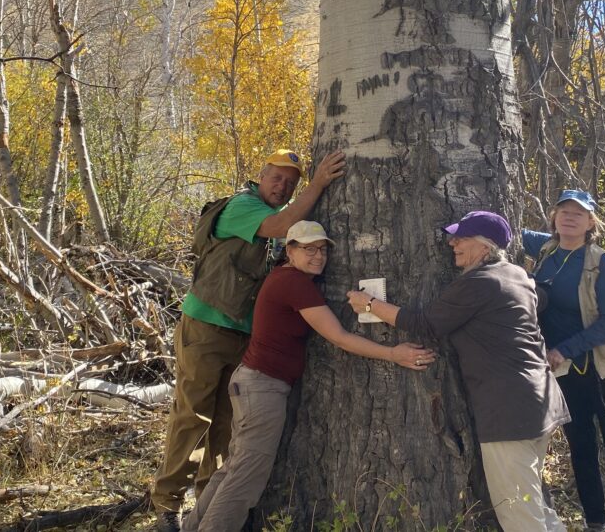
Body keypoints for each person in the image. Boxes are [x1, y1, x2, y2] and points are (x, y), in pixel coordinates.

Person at [181, 221, 435, 532]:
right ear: (289, 251)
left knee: (234, 469)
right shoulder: (293, 282)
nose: (318, 256)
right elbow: (339, 337)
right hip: (261, 388)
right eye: (308, 249)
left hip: (253, 384)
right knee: (246, 477)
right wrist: (393, 354)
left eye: (323, 249)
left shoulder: (288, 279)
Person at [152, 150, 346, 532]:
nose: (283, 186)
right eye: (277, 178)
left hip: (242, 335)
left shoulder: (278, 215)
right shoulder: (244, 206)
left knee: (225, 422)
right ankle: (167, 505)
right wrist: (319, 182)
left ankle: (209, 503)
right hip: (206, 325)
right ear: (259, 176)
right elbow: (282, 223)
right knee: (193, 415)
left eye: (290, 183)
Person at [347, 211, 570, 532]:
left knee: (521, 515)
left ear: (484, 247)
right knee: (536, 506)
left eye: (461, 238)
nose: (452, 243)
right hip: (540, 401)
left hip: (509, 412)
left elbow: (424, 324)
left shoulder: (481, 282)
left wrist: (369, 305)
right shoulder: (516, 274)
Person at [523, 190, 605, 532]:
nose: (569, 217)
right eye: (563, 210)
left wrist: (565, 349)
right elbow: (505, 231)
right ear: (554, 216)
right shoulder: (545, 249)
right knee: (581, 448)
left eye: (578, 213)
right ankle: (596, 523)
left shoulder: (600, 262)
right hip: (566, 373)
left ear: (591, 222)